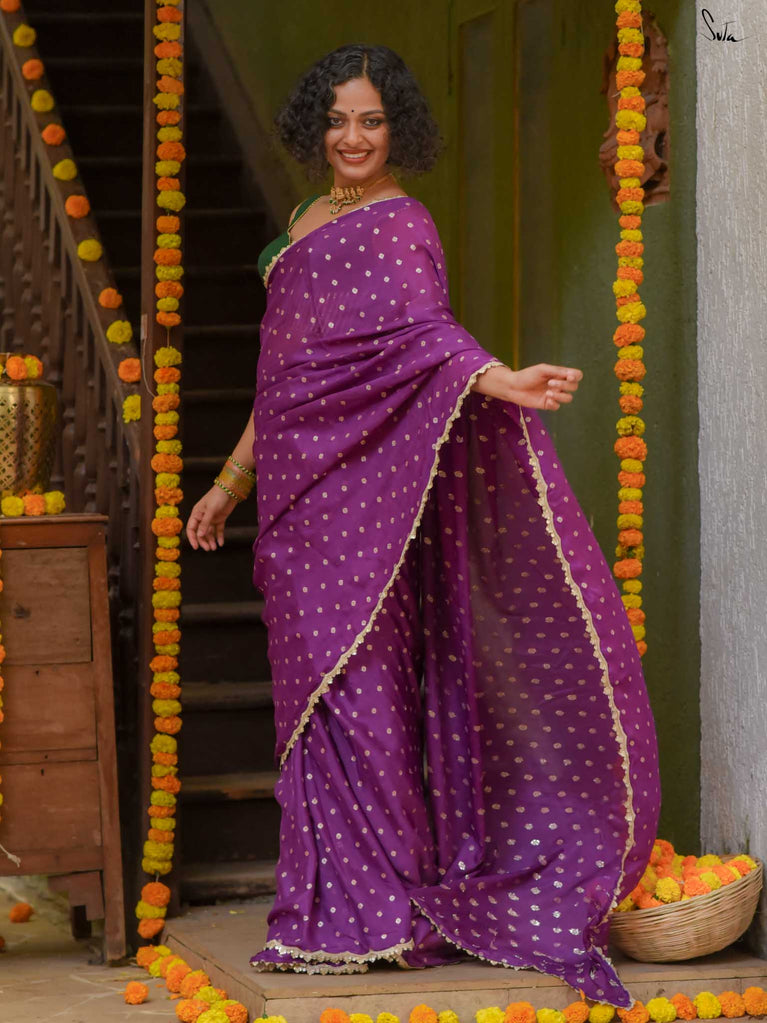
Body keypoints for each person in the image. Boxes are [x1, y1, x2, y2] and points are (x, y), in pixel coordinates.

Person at [185, 44, 660, 1006]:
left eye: (371, 120)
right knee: (311, 707)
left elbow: (422, 342)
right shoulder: (302, 220)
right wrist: (230, 483)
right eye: (337, 120)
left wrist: (500, 379)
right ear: (315, 127)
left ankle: (385, 914)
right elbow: (282, 376)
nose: (353, 138)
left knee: (363, 694)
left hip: (369, 497)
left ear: (396, 127)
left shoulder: (402, 224)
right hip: (293, 500)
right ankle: (320, 915)